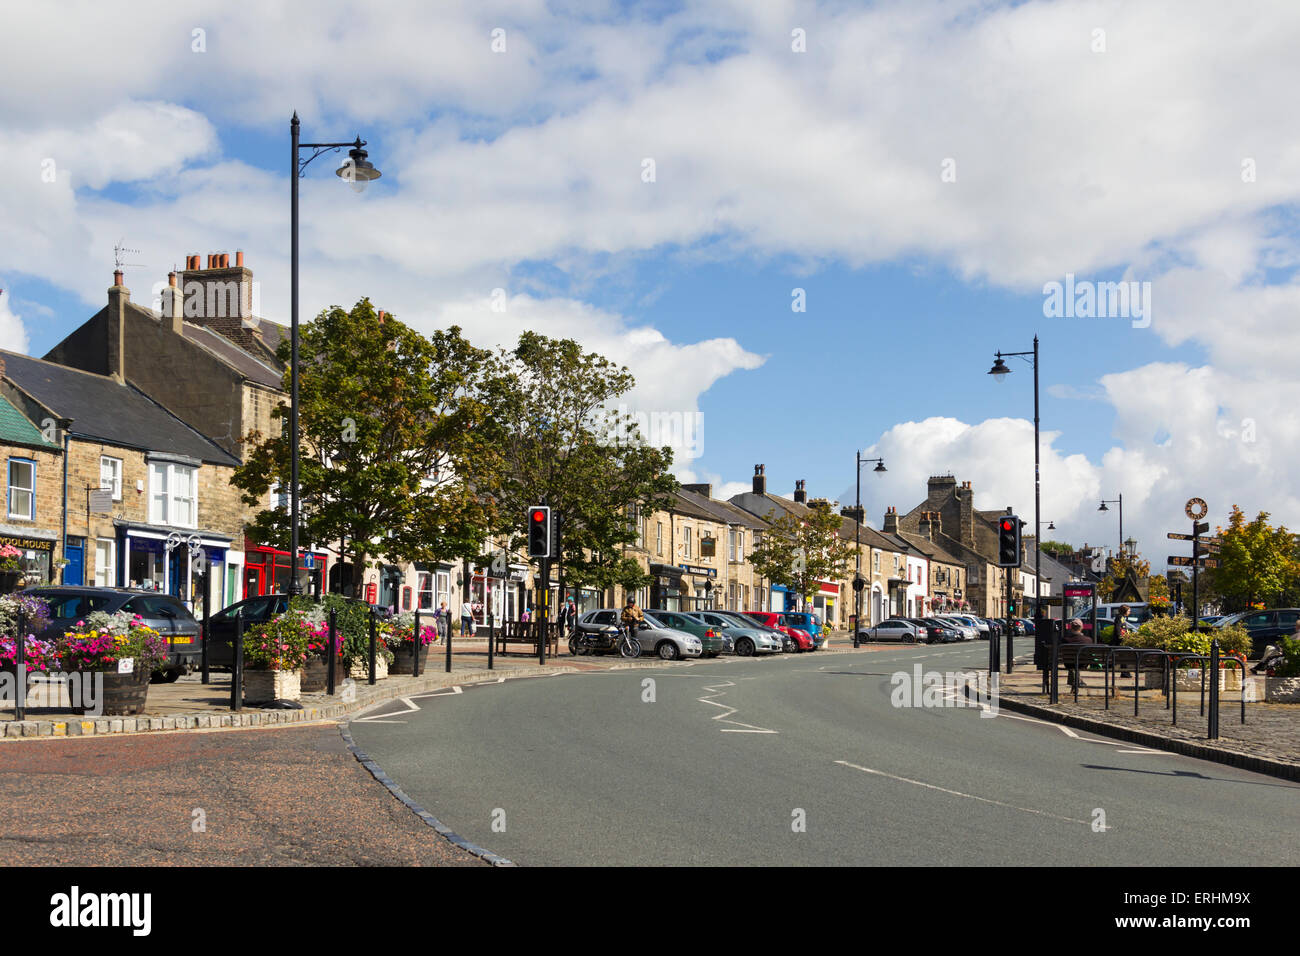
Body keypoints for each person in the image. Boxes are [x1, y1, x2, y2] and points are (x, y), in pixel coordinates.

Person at [1061, 618, 1095, 687]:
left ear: (1071, 628)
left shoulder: (1065, 640)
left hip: (1069, 663)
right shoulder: (1088, 640)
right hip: (1083, 664)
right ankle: (1077, 682)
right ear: (1082, 628)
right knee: (1076, 662)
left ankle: (1075, 683)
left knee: (1072, 663)